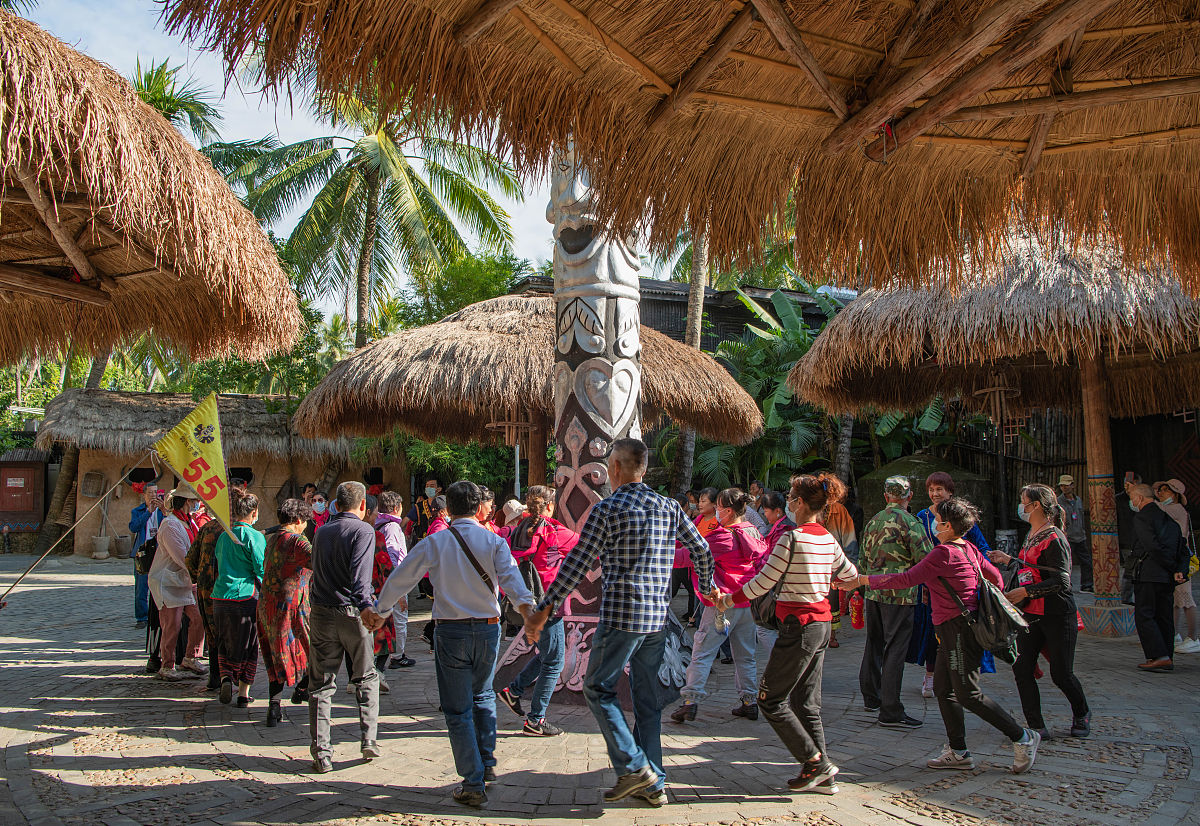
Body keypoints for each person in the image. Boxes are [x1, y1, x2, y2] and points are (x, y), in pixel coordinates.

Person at [526, 438, 713, 808]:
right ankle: (653, 780)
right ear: (642, 469)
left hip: (621, 615)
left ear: (614, 468)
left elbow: (577, 563)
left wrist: (545, 606)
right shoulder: (669, 507)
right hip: (656, 618)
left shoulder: (607, 509)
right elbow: (701, 550)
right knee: (647, 700)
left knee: (596, 687)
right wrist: (707, 590)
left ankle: (633, 766)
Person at [365, 480, 536, 808]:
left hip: (451, 632)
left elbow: (402, 577)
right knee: (483, 695)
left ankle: (473, 781)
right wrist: (528, 611)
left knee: (458, 709)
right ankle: (486, 764)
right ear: (478, 507)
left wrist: (381, 610)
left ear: (448, 508)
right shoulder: (494, 541)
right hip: (488, 631)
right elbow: (513, 582)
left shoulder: (436, 542)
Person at [844, 497, 1040, 775]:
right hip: (955, 629)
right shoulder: (969, 548)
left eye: (937, 519)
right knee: (943, 690)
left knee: (968, 694)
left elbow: (906, 579)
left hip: (959, 629)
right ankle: (958, 751)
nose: (933, 523)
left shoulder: (943, 554)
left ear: (948, 525)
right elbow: (995, 576)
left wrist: (862, 580)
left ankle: (1022, 737)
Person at [717, 473, 858, 794]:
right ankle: (822, 775)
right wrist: (824, 580)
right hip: (821, 626)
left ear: (802, 504)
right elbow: (849, 576)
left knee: (771, 700)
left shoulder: (791, 539)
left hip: (798, 627)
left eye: (792, 498)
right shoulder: (825, 537)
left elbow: (762, 583)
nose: (789, 502)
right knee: (805, 703)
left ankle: (815, 763)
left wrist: (727, 599)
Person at [989, 483, 1091, 739]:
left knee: (1061, 673)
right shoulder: (1033, 533)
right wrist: (1010, 560)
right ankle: (1036, 725)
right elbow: (1035, 568)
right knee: (1022, 668)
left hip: (1057, 613)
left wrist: (1026, 593)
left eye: (1024, 501)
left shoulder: (1055, 537)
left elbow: (1061, 580)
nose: (1021, 506)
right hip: (1030, 614)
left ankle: (1082, 712)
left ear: (1035, 506)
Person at [672, 487, 768, 723]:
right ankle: (749, 701)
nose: (715, 511)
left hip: (721, 602)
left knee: (702, 652)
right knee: (746, 656)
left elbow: (689, 556)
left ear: (726, 510)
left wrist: (657, 554)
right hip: (746, 601)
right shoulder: (752, 532)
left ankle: (690, 701)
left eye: (717, 507)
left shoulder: (725, 536)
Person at [307, 481, 381, 772]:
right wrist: (366, 607)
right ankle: (369, 740)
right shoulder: (363, 530)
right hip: (352, 612)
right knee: (365, 677)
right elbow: (361, 577)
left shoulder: (322, 531)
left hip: (322, 612)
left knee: (321, 685)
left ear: (335, 504)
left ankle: (322, 752)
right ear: (362, 505)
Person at [497, 485, 578, 736]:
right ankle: (536, 720)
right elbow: (584, 547)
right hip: (549, 604)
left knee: (546, 654)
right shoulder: (554, 532)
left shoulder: (517, 530)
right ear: (550, 506)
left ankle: (514, 691)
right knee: (554, 661)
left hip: (524, 603)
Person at [858, 476, 932, 729]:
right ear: (909, 496)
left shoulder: (872, 522)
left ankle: (872, 697)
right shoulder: (911, 522)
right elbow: (926, 560)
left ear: (886, 496)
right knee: (895, 649)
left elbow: (862, 559)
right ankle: (890, 709)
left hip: (873, 593)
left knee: (874, 643)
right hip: (900, 596)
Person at [914, 472, 991, 698]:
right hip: (930, 585)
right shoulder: (921, 516)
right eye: (931, 489)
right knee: (931, 632)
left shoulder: (961, 516)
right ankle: (932, 676)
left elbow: (982, 548)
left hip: (959, 588)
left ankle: (965, 681)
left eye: (940, 489)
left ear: (950, 491)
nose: (935, 494)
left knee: (960, 634)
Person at [258, 498, 313, 725]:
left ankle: (275, 706)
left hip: (267, 603)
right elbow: (318, 561)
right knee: (312, 647)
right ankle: (303, 687)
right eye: (305, 521)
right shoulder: (297, 542)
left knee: (274, 654)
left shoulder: (273, 540)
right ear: (298, 520)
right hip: (292, 607)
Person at [212, 488, 266, 706]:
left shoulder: (224, 536)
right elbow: (261, 567)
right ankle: (243, 693)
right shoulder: (254, 537)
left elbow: (218, 563)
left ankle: (226, 677)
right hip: (245, 596)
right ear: (253, 513)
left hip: (220, 597)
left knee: (224, 642)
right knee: (249, 644)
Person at [147, 486, 206, 681]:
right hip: (168, 581)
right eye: (193, 501)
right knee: (172, 624)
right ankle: (167, 664)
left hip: (185, 581)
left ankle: (190, 656)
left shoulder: (189, 523)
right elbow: (182, 557)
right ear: (186, 502)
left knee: (198, 619)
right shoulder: (170, 525)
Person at [1128, 483, 1188, 672]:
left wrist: (1170, 566)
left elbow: (1152, 546)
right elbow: (1182, 549)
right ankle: (1167, 655)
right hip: (1166, 577)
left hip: (1149, 573)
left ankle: (1159, 655)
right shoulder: (1167, 519)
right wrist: (1178, 569)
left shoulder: (1143, 517)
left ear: (1139, 498)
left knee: (1145, 615)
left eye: (1132, 497)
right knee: (1164, 616)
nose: (1132, 501)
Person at [1153, 479, 1199, 654]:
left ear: (1175, 495)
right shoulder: (1171, 509)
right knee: (1175, 600)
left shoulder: (1175, 509)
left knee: (1186, 599)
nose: (1161, 493)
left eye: (1166, 490)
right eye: (1161, 490)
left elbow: (1156, 509)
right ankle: (1173, 634)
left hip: (1180, 559)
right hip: (1172, 558)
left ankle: (1194, 638)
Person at [186, 502, 226, 690]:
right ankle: (231, 678)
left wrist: (199, 578)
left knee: (211, 632)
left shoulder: (207, 528)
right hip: (230, 590)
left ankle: (216, 677)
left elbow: (190, 559)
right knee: (231, 633)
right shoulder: (237, 531)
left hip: (206, 588)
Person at [375, 491, 414, 668]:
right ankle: (397, 655)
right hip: (394, 582)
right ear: (397, 508)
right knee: (399, 617)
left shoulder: (380, 525)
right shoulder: (391, 528)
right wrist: (398, 588)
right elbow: (392, 557)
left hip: (387, 582)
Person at [822, 497, 858, 649]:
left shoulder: (838, 510)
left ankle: (831, 635)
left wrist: (851, 565)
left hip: (833, 564)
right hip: (814, 562)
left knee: (832, 601)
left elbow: (849, 538)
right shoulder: (806, 506)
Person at [129, 484, 166, 628]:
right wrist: (148, 513)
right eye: (150, 492)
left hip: (159, 551)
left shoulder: (162, 511)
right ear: (144, 495)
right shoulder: (137, 511)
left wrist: (163, 509)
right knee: (141, 587)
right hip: (143, 552)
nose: (153, 495)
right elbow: (133, 527)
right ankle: (141, 617)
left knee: (159, 585)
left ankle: (158, 615)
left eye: (156, 492)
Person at [1057, 475, 1093, 592]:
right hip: (1067, 537)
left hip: (1080, 536)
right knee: (1067, 563)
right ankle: (1067, 585)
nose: (1064, 488)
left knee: (1086, 561)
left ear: (1073, 485)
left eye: (1067, 485)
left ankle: (1087, 584)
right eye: (1062, 485)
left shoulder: (1078, 500)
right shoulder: (1058, 502)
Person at [669, 494, 699, 623]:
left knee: (673, 589)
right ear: (686, 505)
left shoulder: (670, 517)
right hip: (684, 561)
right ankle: (692, 616)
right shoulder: (687, 520)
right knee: (692, 590)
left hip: (677, 560)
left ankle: (690, 615)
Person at [402, 477, 444, 541]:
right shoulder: (419, 507)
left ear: (439, 489)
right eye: (427, 486)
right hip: (423, 545)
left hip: (441, 541)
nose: (429, 488)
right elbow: (406, 520)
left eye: (432, 486)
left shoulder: (445, 506)